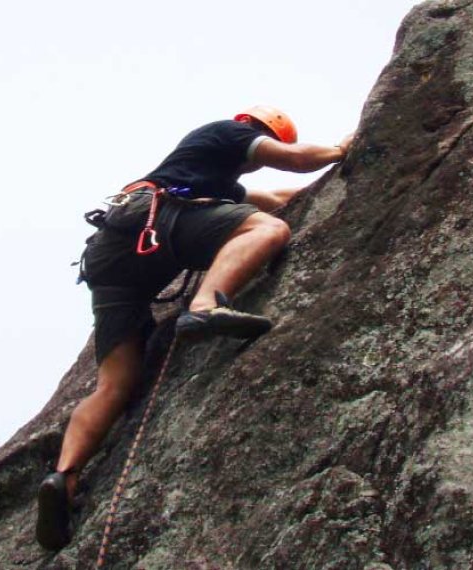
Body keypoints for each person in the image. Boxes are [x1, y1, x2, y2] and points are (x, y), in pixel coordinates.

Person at [36, 105, 354, 549]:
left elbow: (279, 196)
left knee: (115, 384)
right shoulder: (226, 133)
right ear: (255, 132)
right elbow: (296, 161)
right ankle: (206, 304)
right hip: (153, 219)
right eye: (262, 147)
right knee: (269, 232)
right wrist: (342, 147)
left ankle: (64, 478)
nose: (259, 158)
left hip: (111, 256)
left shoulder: (215, 179)